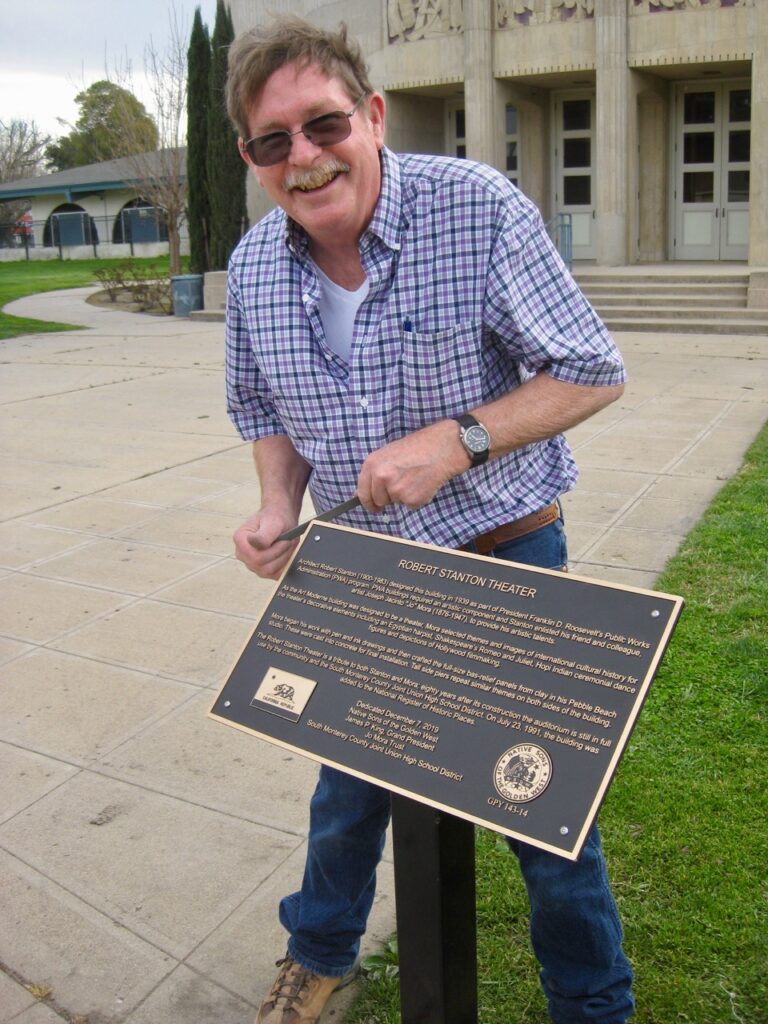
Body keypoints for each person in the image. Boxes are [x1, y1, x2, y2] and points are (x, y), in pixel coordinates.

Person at [225, 15, 634, 1024]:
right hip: (363, 575)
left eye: (323, 126)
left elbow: (589, 368)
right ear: (253, 157)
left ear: (371, 115)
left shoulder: (474, 206)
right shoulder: (251, 269)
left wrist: (457, 440)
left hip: (504, 552)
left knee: (542, 814)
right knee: (345, 798)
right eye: (274, 142)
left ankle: (594, 1007)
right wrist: (278, 504)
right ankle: (319, 960)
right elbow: (263, 407)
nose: (305, 159)